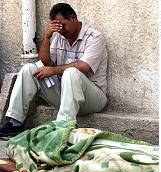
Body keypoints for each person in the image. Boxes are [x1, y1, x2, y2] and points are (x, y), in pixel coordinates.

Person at [0, 3, 108, 137]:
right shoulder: (59, 37)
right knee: (29, 69)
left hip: (92, 99)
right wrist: (47, 37)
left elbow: (83, 66)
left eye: (62, 25)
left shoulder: (94, 38)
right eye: (57, 27)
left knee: (71, 72)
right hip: (66, 96)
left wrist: (53, 70)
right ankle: (15, 123)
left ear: (73, 18)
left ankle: (63, 126)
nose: (61, 30)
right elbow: (45, 63)